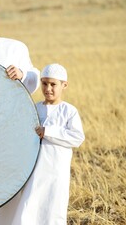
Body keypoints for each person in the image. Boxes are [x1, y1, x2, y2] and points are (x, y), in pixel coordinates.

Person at [19, 63, 85, 224]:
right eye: (44, 83)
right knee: (29, 206)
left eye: (53, 84)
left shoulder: (69, 111)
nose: (48, 88)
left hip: (56, 169)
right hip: (34, 170)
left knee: (53, 208)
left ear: (64, 85)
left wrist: (48, 132)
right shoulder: (34, 108)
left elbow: (77, 137)